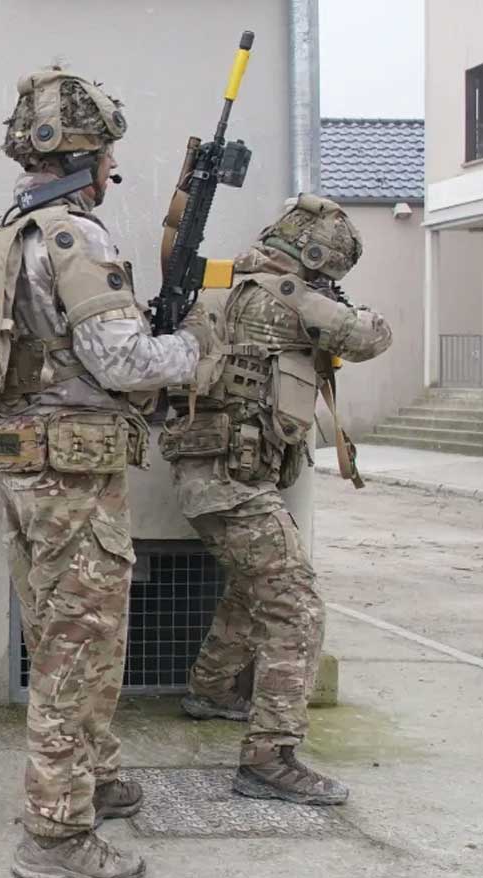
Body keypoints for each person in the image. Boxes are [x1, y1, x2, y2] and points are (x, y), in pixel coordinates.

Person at [0, 70, 212, 878]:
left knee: (65, 634)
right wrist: (196, 344)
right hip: (70, 475)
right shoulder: (74, 236)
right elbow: (124, 361)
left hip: (19, 466)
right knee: (75, 650)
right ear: (89, 157)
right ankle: (55, 837)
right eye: (109, 155)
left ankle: (96, 776)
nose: (114, 168)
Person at [164, 194, 391, 804]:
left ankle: (211, 690)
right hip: (234, 484)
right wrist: (347, 304)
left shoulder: (222, 289)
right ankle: (270, 758)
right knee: (297, 606)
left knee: (252, 586)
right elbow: (370, 337)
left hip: (209, 477)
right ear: (314, 256)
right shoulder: (288, 297)